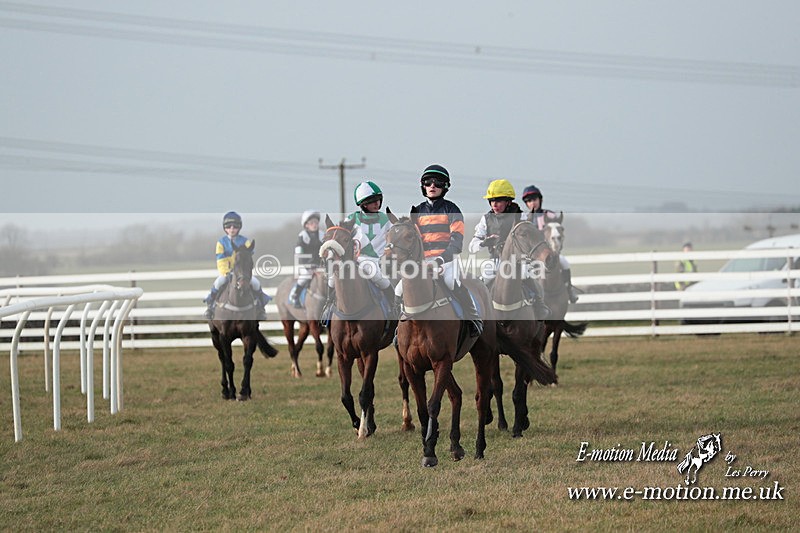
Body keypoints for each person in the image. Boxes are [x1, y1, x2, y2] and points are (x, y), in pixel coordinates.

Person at [398, 164, 482, 337]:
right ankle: (398, 329)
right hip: (422, 263)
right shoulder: (417, 211)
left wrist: (440, 260)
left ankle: (473, 319)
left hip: (446, 261)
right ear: (423, 186)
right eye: (428, 182)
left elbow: (457, 242)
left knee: (453, 283)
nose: (432, 186)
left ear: (445, 187)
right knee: (399, 290)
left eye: (438, 182)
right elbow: (413, 241)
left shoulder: (452, 210)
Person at [469, 179, 550, 318]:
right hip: (495, 261)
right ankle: (478, 313)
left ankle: (538, 304)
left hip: (519, 261)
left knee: (526, 275)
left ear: (508, 201)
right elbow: (472, 246)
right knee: (484, 281)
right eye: (491, 200)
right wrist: (485, 242)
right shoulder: (486, 219)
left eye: (499, 200)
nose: (494, 204)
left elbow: (531, 237)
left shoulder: (522, 216)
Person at [203, 211, 269, 320]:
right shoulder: (221, 243)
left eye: (235, 226)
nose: (232, 229)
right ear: (225, 228)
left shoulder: (245, 241)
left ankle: (261, 308)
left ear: (239, 227)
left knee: (256, 283)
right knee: (219, 282)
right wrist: (226, 272)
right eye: (229, 226)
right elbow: (221, 260)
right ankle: (210, 307)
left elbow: (248, 258)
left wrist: (244, 272)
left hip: (242, 273)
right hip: (227, 272)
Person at [522, 184, 580, 303]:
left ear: (540, 200)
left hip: (550, 252)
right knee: (523, 271)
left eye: (534, 199)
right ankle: (526, 295)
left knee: (564, 263)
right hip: (532, 255)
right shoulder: (525, 218)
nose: (532, 203)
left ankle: (569, 289)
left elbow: (557, 232)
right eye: (528, 201)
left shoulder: (550, 214)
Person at [343, 180, 396, 305]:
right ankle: (327, 311)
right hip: (356, 261)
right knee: (332, 280)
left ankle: (394, 308)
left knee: (382, 280)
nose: (377, 203)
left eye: (378, 199)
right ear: (363, 204)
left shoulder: (387, 220)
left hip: (379, 262)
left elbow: (395, 241)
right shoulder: (350, 220)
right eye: (372, 201)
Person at [289, 209, 325, 308]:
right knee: (304, 277)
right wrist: (308, 265)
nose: (315, 224)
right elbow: (299, 253)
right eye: (312, 223)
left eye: (316, 222)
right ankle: (295, 295)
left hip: (321, 265)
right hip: (307, 266)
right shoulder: (302, 236)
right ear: (306, 225)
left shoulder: (322, 235)